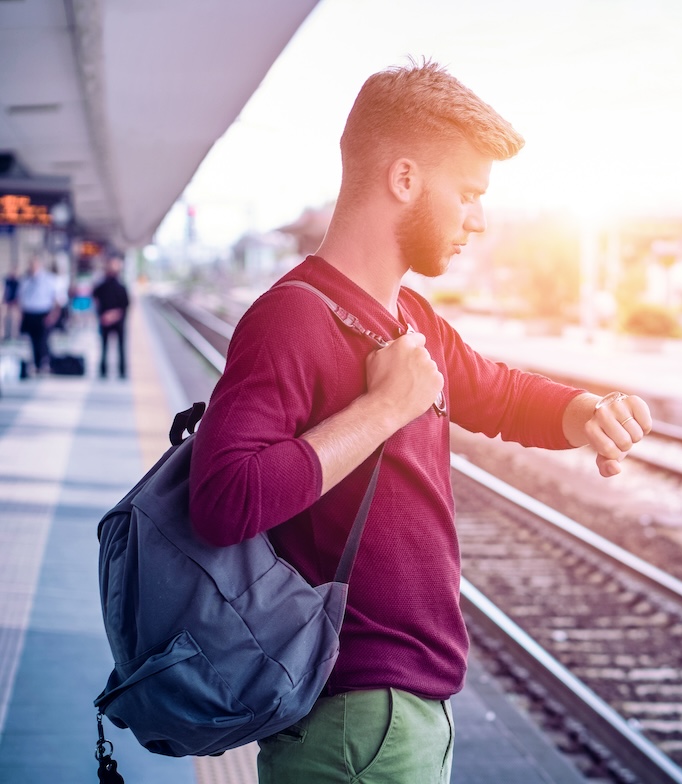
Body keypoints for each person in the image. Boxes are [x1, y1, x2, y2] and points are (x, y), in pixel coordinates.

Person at [188, 60, 652, 784]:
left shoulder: (412, 321)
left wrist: (585, 411)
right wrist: (381, 410)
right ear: (403, 180)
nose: (479, 217)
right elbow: (223, 499)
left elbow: (497, 394)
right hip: (353, 718)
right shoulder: (292, 318)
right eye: (468, 193)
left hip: (397, 717)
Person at [17, 255, 58, 376]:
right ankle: (34, 364)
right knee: (32, 340)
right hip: (29, 313)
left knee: (43, 340)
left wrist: (53, 315)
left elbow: (55, 299)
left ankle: (44, 363)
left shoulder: (49, 279)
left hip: (43, 312)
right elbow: (21, 298)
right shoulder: (25, 280)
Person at [92, 255, 130, 379]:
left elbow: (126, 305)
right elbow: (95, 297)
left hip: (118, 321)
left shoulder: (121, 286)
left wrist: (112, 315)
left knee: (121, 347)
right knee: (104, 347)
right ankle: (103, 370)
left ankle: (122, 371)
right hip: (104, 320)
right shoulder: (102, 284)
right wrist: (102, 315)